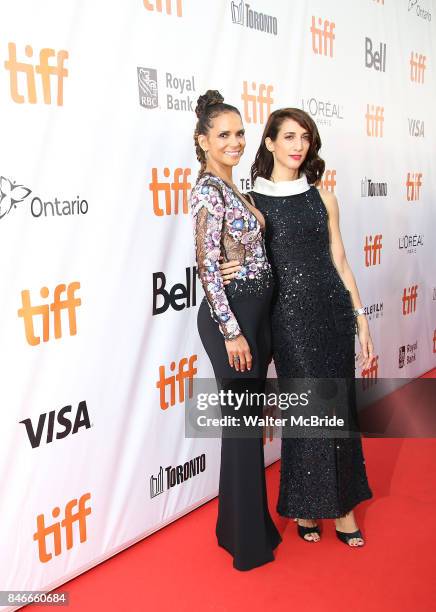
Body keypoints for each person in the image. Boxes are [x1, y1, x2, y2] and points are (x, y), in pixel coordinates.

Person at [220, 108, 373, 547]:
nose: (297, 145)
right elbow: (239, 256)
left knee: (338, 408)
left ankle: (343, 511)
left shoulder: (323, 198)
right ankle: (305, 505)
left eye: (304, 137)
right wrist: (227, 269)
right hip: (287, 319)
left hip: (332, 312)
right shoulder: (252, 203)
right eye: (287, 136)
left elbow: (339, 260)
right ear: (268, 142)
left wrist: (361, 318)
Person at [190, 90, 281, 570]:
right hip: (234, 321)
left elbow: (241, 250)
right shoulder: (207, 188)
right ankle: (246, 542)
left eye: (240, 133)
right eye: (223, 134)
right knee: (244, 428)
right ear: (202, 141)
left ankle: (241, 526)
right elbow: (207, 264)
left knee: (242, 427)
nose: (235, 141)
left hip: (254, 314)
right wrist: (232, 331)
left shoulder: (235, 187)